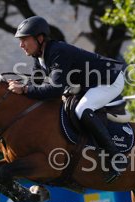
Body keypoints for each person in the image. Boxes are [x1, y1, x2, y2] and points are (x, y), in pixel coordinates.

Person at [8, 16, 126, 183]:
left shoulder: (58, 51)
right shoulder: (39, 56)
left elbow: (55, 89)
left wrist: (25, 89)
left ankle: (116, 157)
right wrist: (20, 87)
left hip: (109, 80)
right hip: (89, 84)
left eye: (24, 40)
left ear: (40, 38)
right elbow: (36, 84)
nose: (21, 45)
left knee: (82, 109)